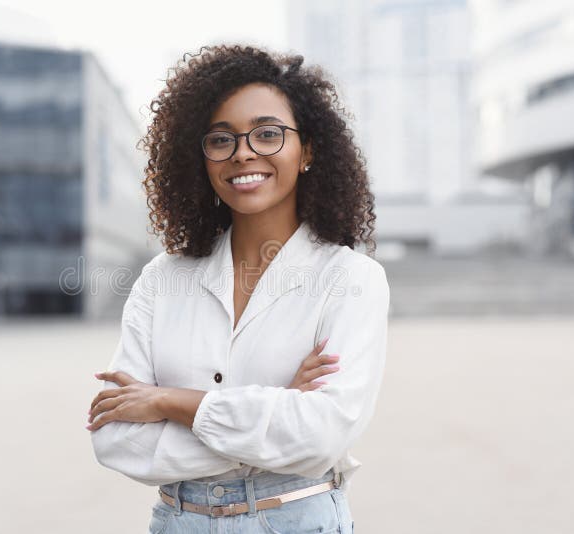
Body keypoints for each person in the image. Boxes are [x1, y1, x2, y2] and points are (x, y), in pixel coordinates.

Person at [87, 44, 390, 534]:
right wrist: (274, 408)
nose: (244, 152)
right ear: (201, 158)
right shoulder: (162, 280)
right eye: (221, 139)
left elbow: (322, 435)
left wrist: (172, 403)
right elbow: (117, 440)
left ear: (307, 149)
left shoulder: (351, 279)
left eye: (268, 134)